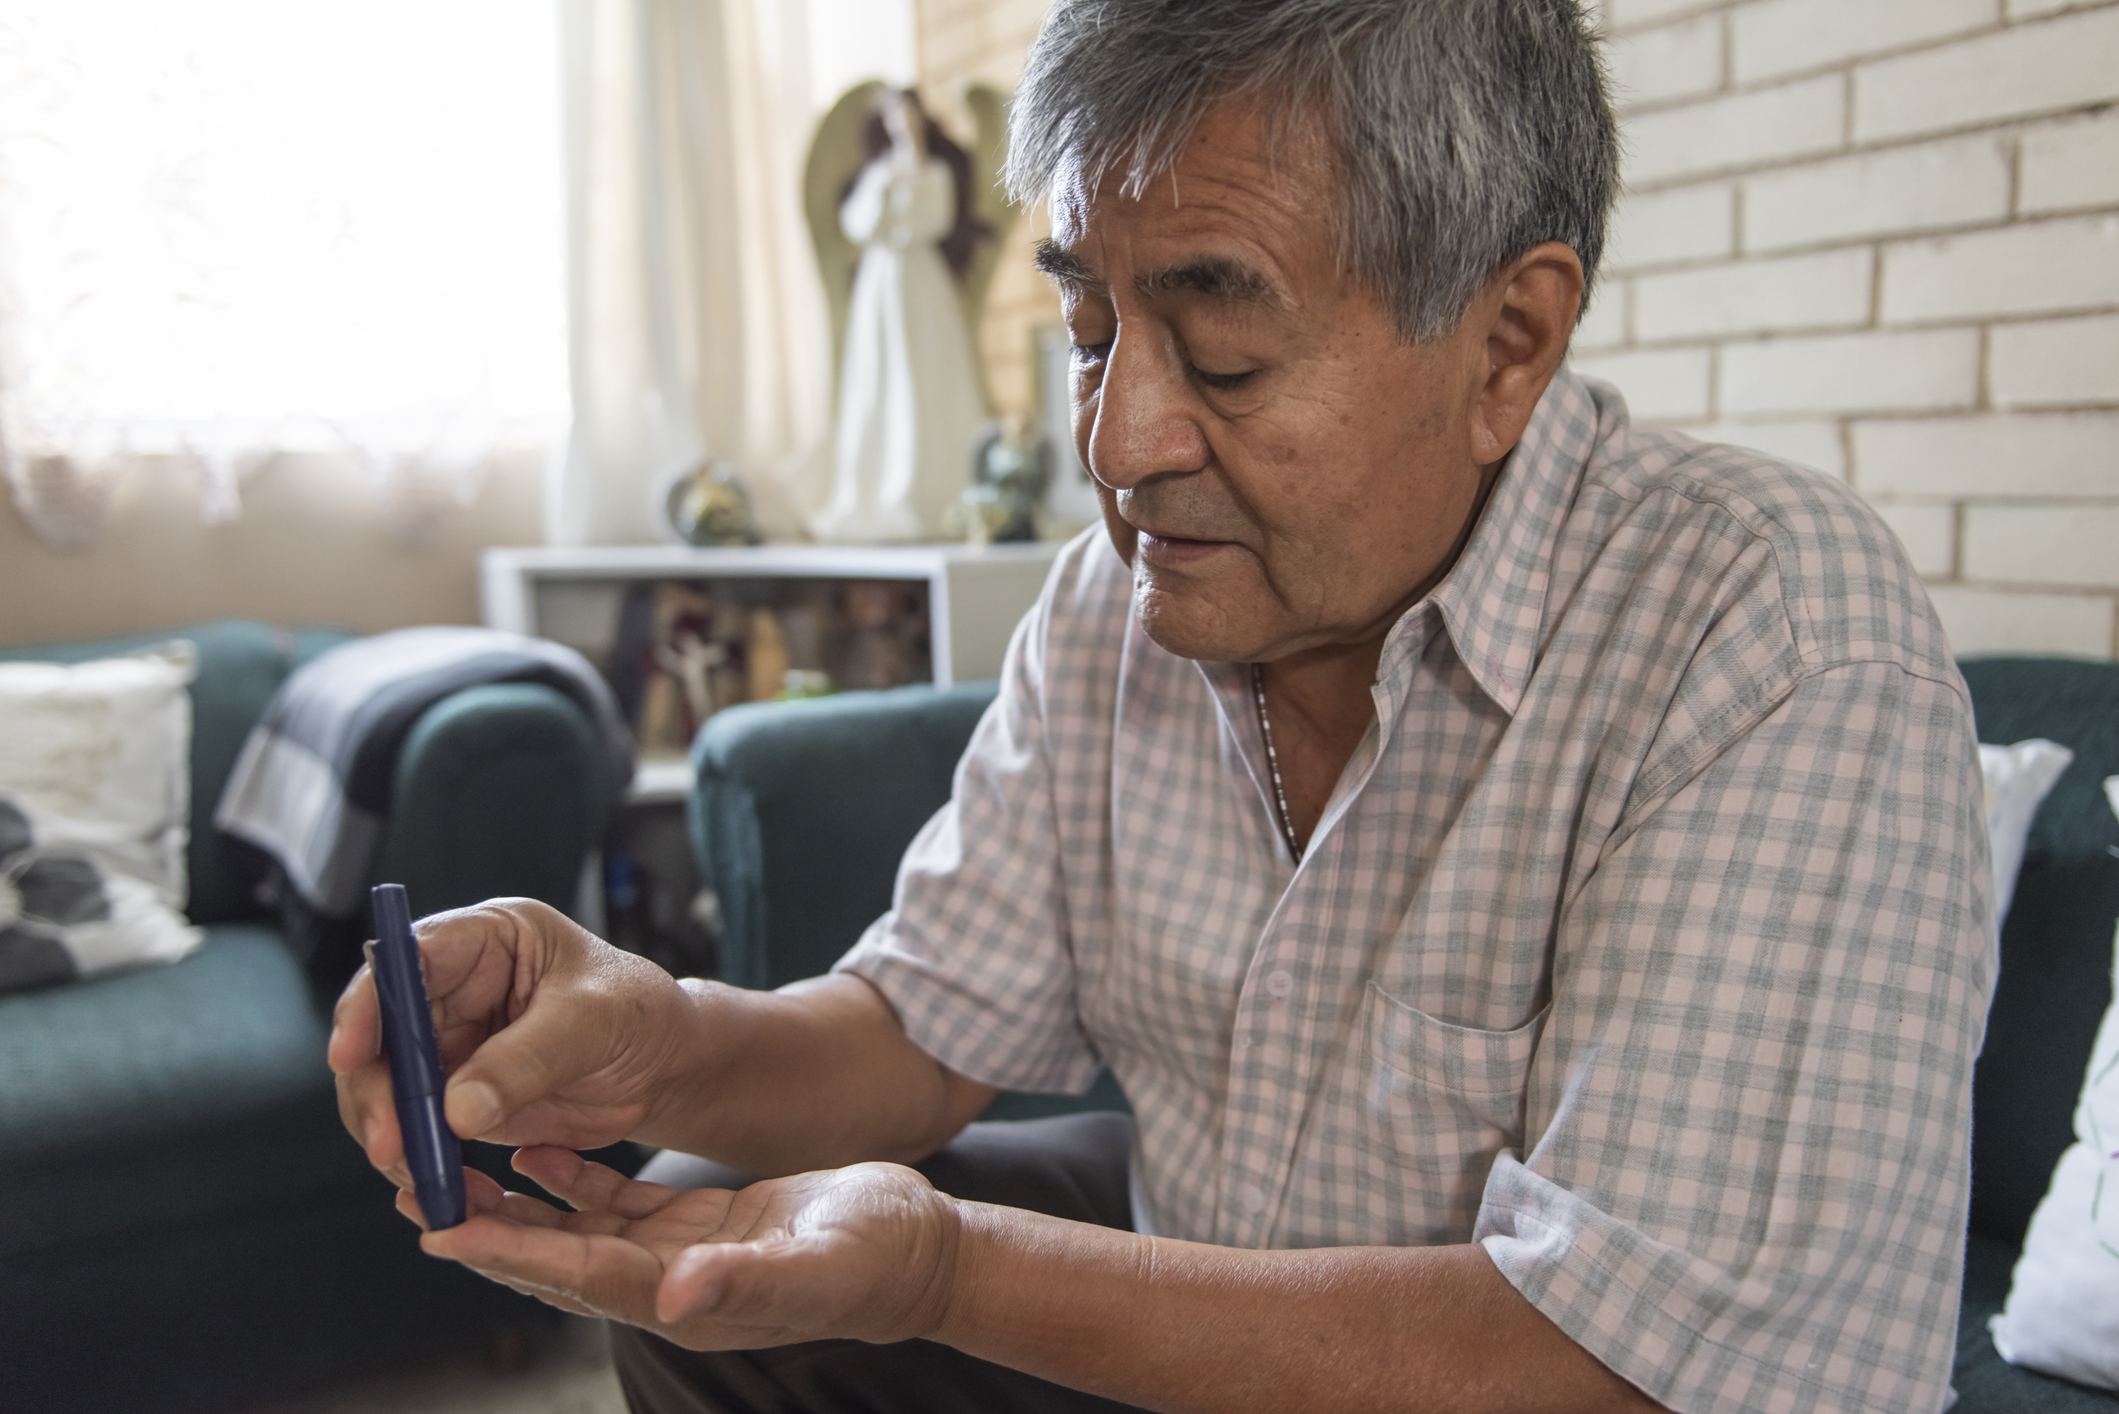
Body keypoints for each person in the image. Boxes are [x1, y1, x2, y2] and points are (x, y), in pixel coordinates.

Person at [331, 3, 1993, 1411]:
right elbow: (919, 1027)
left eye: (1220, 348)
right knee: (718, 1246)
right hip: (1205, 1306)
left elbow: (1628, 1361)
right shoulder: (1114, 604)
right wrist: (650, 1031)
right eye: (1085, 326)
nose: (1116, 443)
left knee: (856, 1261)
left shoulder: (1762, 632)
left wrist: (948, 1269)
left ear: (1504, 343)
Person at [809, 88, 991, 544]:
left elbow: (937, 220)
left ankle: (936, 494)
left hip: (921, 281)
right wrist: (885, 194)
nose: (901, 124)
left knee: (927, 377)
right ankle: (879, 492)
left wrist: (903, 203)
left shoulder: (934, 171)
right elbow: (856, 222)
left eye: (907, 116)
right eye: (893, 117)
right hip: (882, 286)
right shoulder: (877, 174)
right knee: (881, 380)